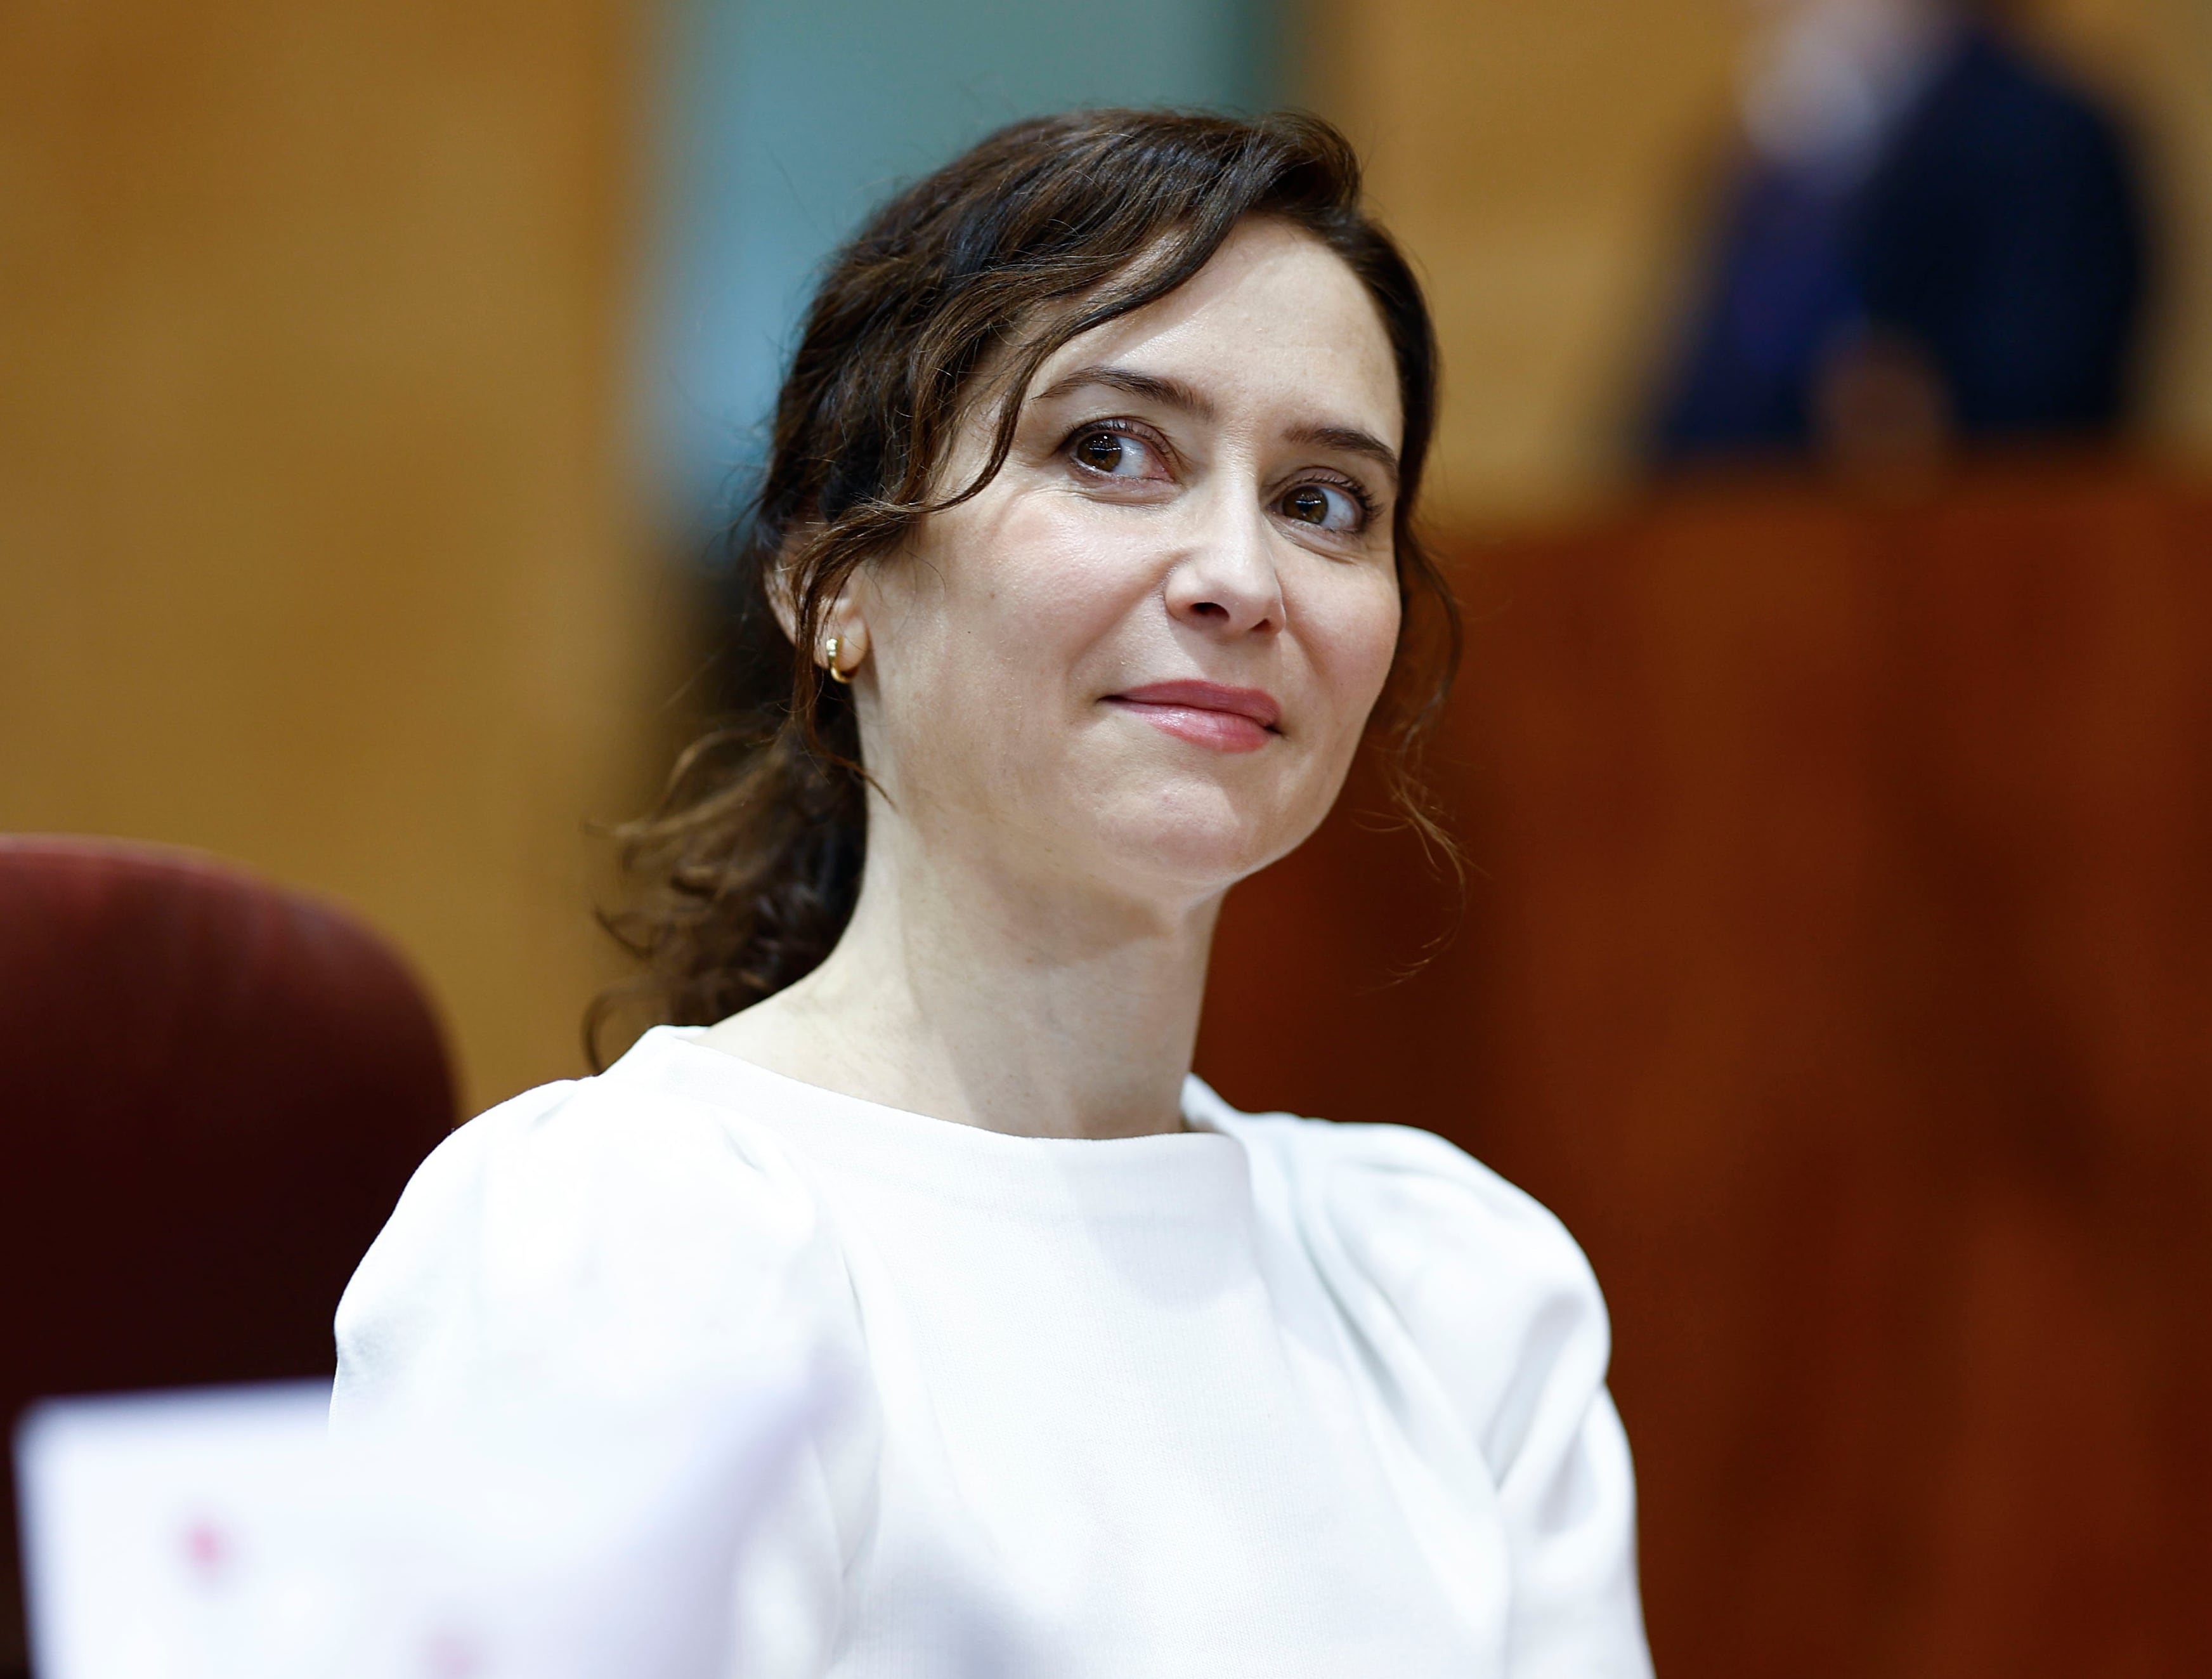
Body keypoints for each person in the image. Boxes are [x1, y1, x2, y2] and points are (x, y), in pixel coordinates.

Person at [334, 110, 1653, 1678]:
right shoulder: (615, 1239)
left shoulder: (1455, 1291)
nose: (1240, 572)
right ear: (833, 583)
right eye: (1112, 449)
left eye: (1322, 501)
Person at [1651, 0, 2148, 467]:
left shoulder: (2040, 129)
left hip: (1965, 528)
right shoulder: (1771, 157)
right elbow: (1692, 393)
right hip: (1737, 521)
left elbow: (2044, 390)